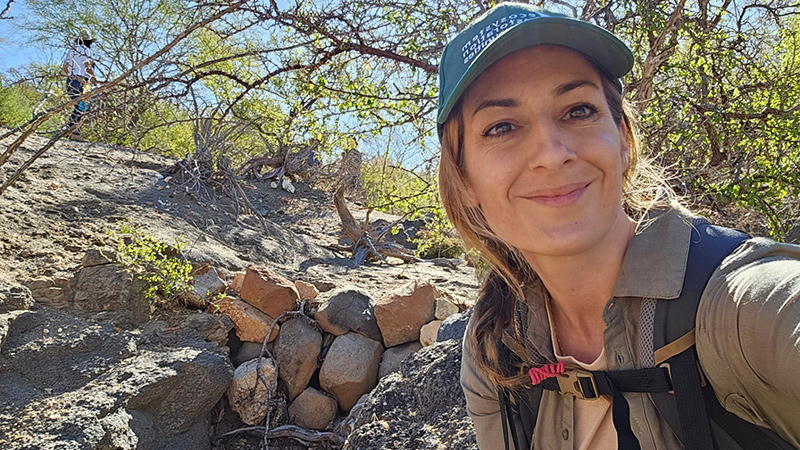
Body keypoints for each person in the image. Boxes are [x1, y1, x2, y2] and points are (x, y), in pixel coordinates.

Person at [435, 3, 800, 450]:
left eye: (577, 110)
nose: (552, 153)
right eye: (502, 126)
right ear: (464, 178)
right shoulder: (496, 346)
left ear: (624, 141)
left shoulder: (740, 307)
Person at [62, 29, 97, 140]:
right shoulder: (85, 50)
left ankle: (72, 130)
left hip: (71, 80)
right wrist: (94, 78)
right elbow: (87, 66)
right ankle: (74, 132)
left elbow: (65, 67)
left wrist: (71, 75)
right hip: (82, 80)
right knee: (81, 106)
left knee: (78, 104)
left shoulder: (72, 50)